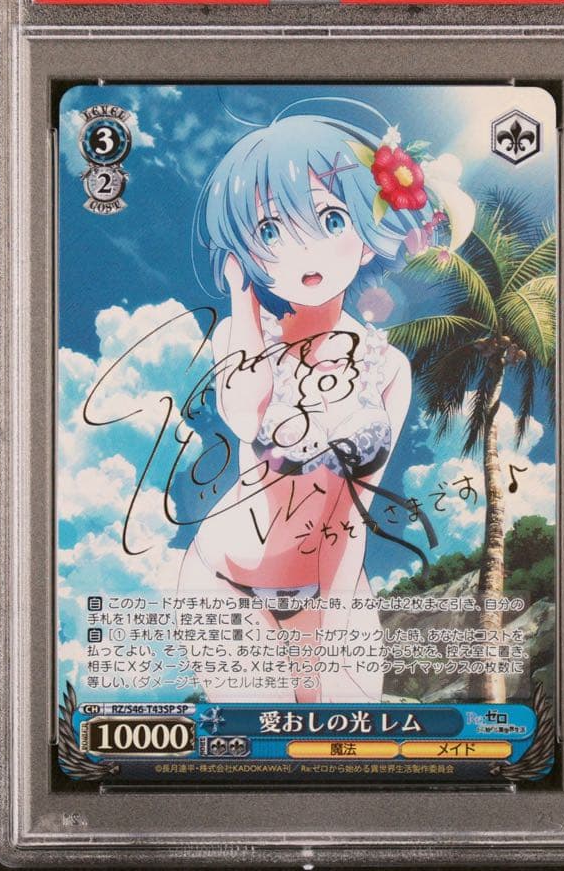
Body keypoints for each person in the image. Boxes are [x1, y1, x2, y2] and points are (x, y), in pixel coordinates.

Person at [178, 99, 472, 703]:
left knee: (346, 736)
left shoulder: (387, 368)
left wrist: (324, 623)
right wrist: (240, 296)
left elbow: (354, 506)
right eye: (268, 232)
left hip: (332, 585)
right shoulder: (242, 335)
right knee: (259, 745)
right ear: (246, 254)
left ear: (368, 238)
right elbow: (243, 415)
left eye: (332, 219)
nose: (303, 251)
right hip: (226, 582)